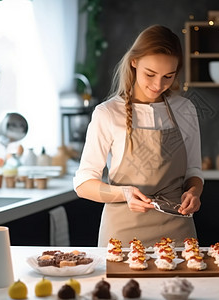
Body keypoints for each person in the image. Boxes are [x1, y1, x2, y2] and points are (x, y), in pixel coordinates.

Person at [73, 24, 203, 247]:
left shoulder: (185, 109)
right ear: (134, 62)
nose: (158, 84)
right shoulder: (108, 113)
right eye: (150, 74)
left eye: (168, 76)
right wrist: (124, 193)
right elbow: (83, 184)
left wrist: (194, 192)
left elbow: (194, 170)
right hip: (122, 235)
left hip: (178, 232)